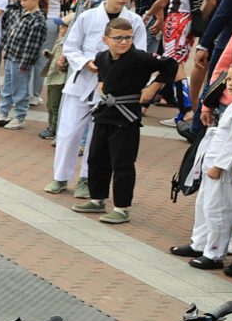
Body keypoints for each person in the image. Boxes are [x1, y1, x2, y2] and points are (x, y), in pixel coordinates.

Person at [72, 15, 178, 224]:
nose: (123, 42)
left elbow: (171, 64)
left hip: (126, 115)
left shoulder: (140, 58)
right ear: (106, 39)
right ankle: (97, 198)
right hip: (104, 114)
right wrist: (101, 83)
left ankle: (122, 207)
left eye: (128, 38)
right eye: (118, 38)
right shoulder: (102, 56)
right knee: (97, 158)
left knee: (122, 163)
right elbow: (102, 73)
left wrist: (153, 88)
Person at [49, 0, 146, 196]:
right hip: (82, 82)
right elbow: (71, 46)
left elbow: (139, 54)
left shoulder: (135, 21)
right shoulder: (88, 17)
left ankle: (87, 179)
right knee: (68, 132)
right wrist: (85, 63)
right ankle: (60, 177)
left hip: (113, 89)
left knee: (98, 138)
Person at [179, 63, 232, 268]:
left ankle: (215, 253)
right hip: (211, 161)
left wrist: (220, 166)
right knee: (204, 204)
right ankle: (199, 243)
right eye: (229, 79)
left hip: (223, 169)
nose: (231, 84)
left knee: (220, 209)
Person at [0, 0, 51, 128]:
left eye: (25, 0)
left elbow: (32, 46)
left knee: (20, 89)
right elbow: (11, 9)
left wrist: (25, 64)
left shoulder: (38, 20)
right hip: (11, 56)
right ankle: (3, 112)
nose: (22, 3)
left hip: (21, 60)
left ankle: (20, 117)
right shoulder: (21, 12)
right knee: (7, 86)